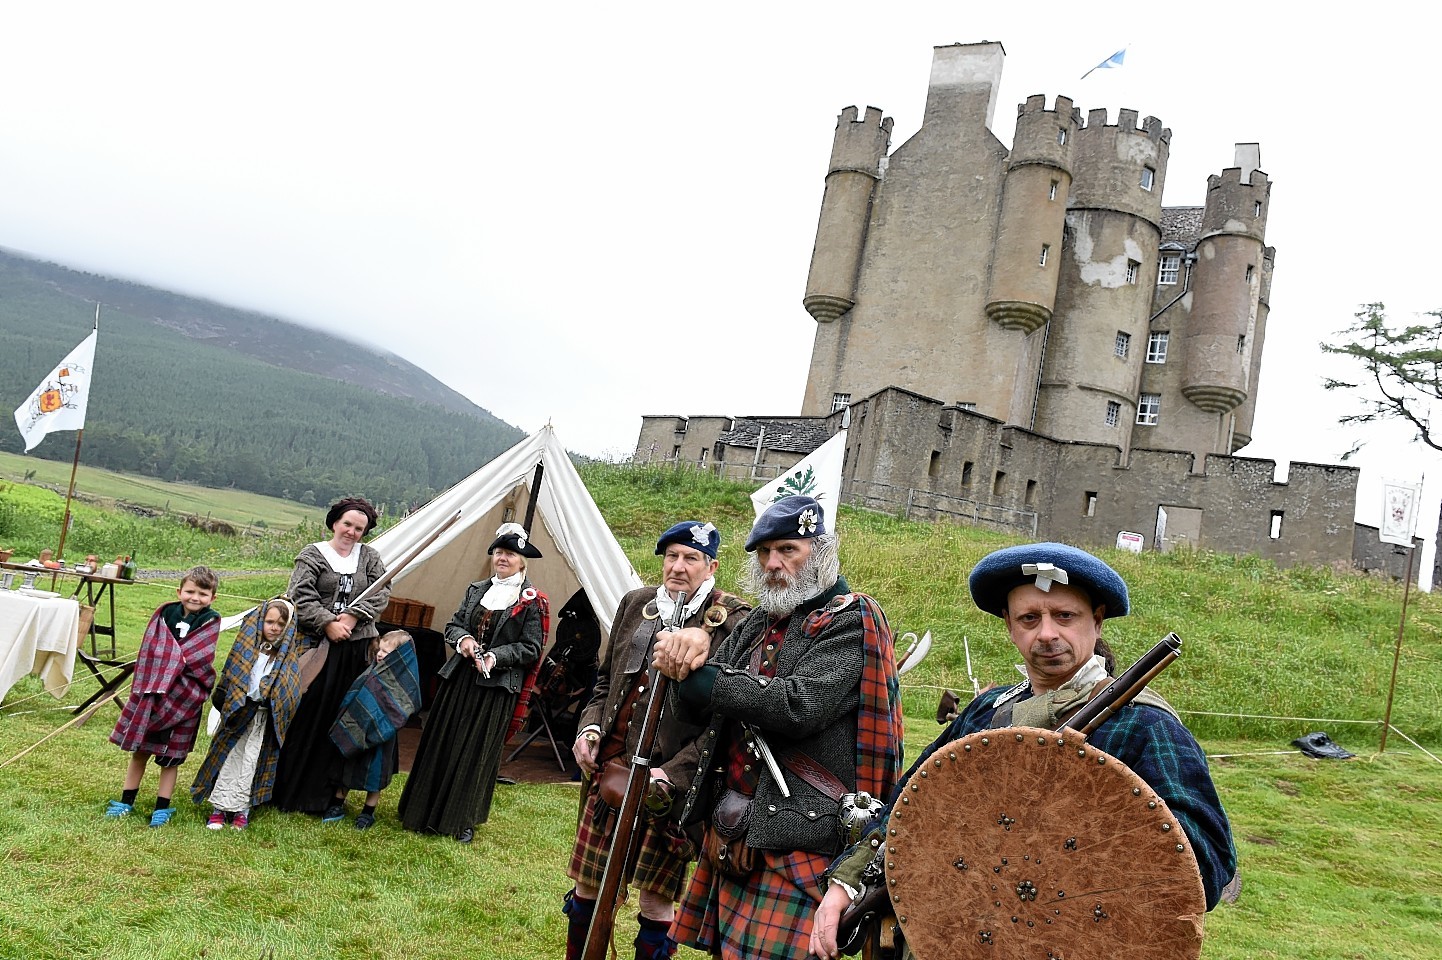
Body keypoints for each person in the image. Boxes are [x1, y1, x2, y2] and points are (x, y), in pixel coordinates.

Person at [806, 542, 1238, 960]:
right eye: (1030, 618)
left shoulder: (1145, 725)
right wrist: (845, 886)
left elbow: (1205, 859)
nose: (1047, 633)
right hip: (957, 935)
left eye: (1065, 616)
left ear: (1097, 620)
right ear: (1010, 627)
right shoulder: (986, 712)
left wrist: (1075, 847)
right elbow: (909, 805)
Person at [651, 495, 904, 960]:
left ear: (821, 551)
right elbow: (707, 705)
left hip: (802, 837)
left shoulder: (853, 617)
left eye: (788, 549)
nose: (773, 563)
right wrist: (682, 662)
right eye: (765, 552)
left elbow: (798, 704)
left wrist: (700, 674)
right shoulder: (763, 621)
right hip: (736, 825)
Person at [563, 521, 753, 960]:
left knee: (655, 899)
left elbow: (725, 720)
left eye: (691, 559)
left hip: (669, 790)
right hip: (609, 772)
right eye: (671, 556)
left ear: (712, 567)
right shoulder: (637, 603)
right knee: (588, 885)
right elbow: (605, 681)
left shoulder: (733, 622)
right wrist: (589, 728)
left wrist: (674, 773)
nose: (678, 567)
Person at [398, 522, 549, 842]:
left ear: (523, 561)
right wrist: (464, 640)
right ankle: (421, 811)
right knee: (443, 740)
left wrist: (497, 656)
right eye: (499, 552)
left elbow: (531, 648)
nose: (502, 558)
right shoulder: (477, 589)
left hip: (495, 690)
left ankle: (461, 819)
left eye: (510, 553)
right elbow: (452, 626)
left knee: (476, 752)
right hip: (459, 680)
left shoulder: (532, 600)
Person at [272, 496, 391, 817]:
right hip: (315, 649)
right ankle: (289, 791)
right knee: (306, 716)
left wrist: (352, 618)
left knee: (341, 720)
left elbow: (381, 591)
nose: (352, 532)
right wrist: (326, 623)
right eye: (347, 524)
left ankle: (329, 797)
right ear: (335, 523)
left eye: (359, 528)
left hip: (357, 651)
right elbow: (300, 594)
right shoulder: (312, 555)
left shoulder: (369, 558)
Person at [106, 565, 222, 827]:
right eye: (190, 591)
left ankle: (162, 807)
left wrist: (171, 664)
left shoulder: (211, 620)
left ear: (212, 597)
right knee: (140, 752)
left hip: (184, 695)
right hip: (152, 694)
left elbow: (199, 656)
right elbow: (152, 645)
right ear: (179, 591)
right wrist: (160, 668)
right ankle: (126, 800)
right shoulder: (165, 613)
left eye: (203, 593)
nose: (195, 598)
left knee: (170, 757)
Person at [190, 595, 305, 830]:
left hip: (263, 719)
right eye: (270, 622)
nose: (274, 628)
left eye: (280, 625)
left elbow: (289, 691)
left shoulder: (286, 659)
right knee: (228, 759)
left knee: (251, 763)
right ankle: (219, 808)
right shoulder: (247, 650)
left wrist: (273, 698)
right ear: (260, 621)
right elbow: (232, 678)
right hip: (239, 715)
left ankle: (242, 810)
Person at [326, 629, 423, 830]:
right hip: (357, 729)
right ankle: (337, 804)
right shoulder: (371, 671)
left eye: (386, 653)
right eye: (380, 649)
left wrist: (381, 723)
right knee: (347, 766)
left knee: (375, 775)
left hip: (382, 738)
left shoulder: (400, 682)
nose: (380, 655)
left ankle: (368, 811)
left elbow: (403, 706)